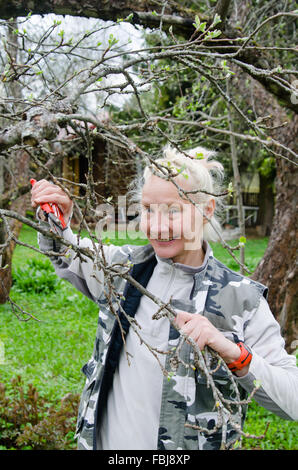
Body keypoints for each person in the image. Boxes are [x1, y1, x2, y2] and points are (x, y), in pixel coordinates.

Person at [31, 145, 298, 451]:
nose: (157, 226)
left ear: (207, 210)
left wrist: (235, 354)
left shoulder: (241, 299)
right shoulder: (122, 269)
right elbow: (66, 250)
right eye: (148, 210)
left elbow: (293, 400)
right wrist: (53, 214)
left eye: (173, 210)